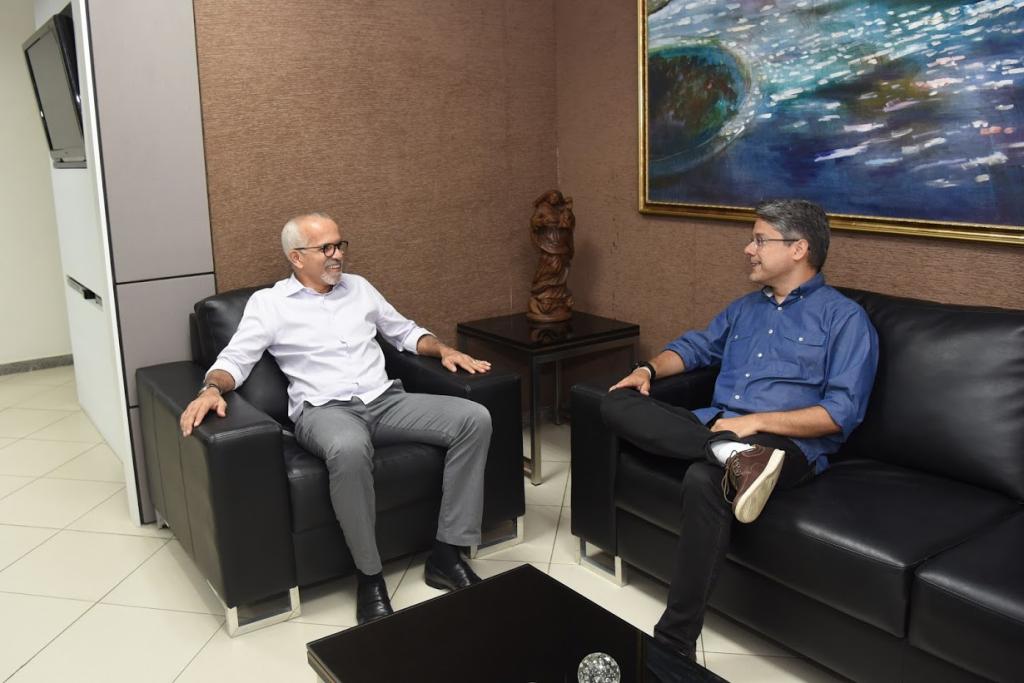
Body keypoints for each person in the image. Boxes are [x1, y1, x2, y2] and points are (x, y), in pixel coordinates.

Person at [178, 212, 494, 625]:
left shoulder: (359, 288)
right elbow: (235, 359)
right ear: (296, 257)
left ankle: (447, 555)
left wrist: (444, 350)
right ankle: (370, 577)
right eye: (325, 248)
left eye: (339, 245)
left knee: (474, 418)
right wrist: (211, 389)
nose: (337, 255)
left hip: (386, 400)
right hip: (323, 411)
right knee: (348, 447)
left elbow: (404, 332)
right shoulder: (270, 304)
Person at [601, 199, 878, 661]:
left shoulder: (845, 319)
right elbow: (695, 348)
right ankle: (724, 450)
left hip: (787, 445)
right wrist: (647, 369)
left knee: (704, 479)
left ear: (798, 249)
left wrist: (756, 423)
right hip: (721, 427)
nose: (748, 249)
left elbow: (841, 413)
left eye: (759, 240)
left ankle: (672, 644)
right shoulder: (745, 309)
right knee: (614, 401)